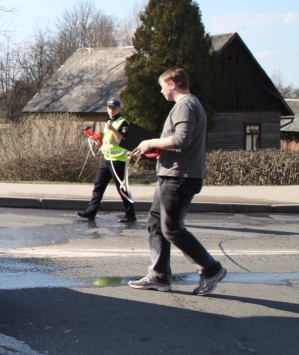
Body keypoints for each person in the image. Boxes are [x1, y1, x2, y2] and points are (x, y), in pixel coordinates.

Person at [128, 67, 226, 295]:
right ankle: (159, 276)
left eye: (162, 85)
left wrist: (151, 142)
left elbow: (182, 139)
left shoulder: (186, 105)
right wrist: (151, 148)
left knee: (171, 228)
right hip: (172, 175)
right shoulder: (189, 105)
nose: (161, 91)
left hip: (179, 177)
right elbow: (179, 142)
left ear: (172, 84)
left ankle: (211, 269)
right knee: (156, 224)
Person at [77, 98, 136, 223]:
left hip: (117, 160)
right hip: (106, 159)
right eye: (109, 107)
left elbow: (123, 141)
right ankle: (91, 212)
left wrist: (113, 129)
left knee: (122, 188)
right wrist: (96, 139)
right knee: (98, 186)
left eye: (114, 107)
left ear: (119, 109)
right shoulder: (108, 121)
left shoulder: (123, 123)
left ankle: (130, 214)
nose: (111, 110)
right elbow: (107, 142)